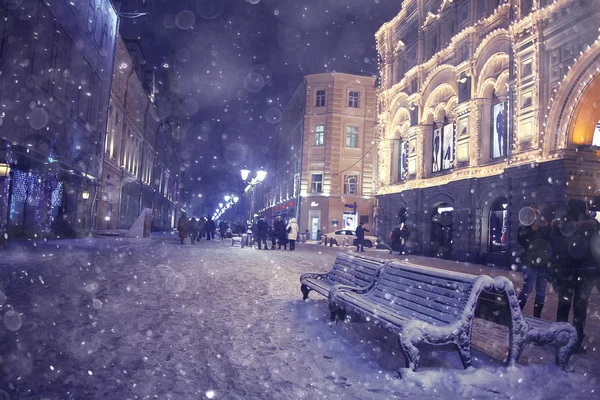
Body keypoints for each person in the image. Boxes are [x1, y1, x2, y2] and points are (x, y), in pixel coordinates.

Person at [548, 199, 599, 352]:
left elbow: (553, 249)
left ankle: (560, 338)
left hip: (566, 272)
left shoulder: (561, 225)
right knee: (580, 308)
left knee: (563, 305)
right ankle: (576, 342)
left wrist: (554, 270)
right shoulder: (592, 225)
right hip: (586, 273)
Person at [515, 207, 550, 318]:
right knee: (528, 288)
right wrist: (531, 230)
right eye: (532, 215)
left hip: (542, 263)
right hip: (529, 262)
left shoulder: (543, 227)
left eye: (536, 215)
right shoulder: (524, 228)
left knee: (541, 291)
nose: (534, 217)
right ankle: (516, 312)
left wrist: (544, 226)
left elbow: (548, 240)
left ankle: (537, 315)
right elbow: (523, 241)